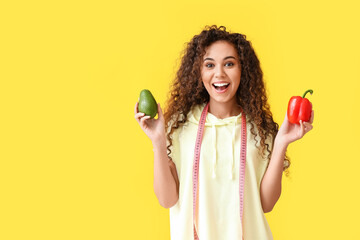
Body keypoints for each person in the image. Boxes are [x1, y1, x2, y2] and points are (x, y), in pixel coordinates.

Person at [134, 25, 314, 240]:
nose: (219, 73)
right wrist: (158, 141)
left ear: (242, 70)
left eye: (229, 64)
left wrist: (282, 142)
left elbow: (266, 204)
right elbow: (167, 199)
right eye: (209, 65)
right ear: (198, 72)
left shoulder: (259, 129)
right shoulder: (180, 126)